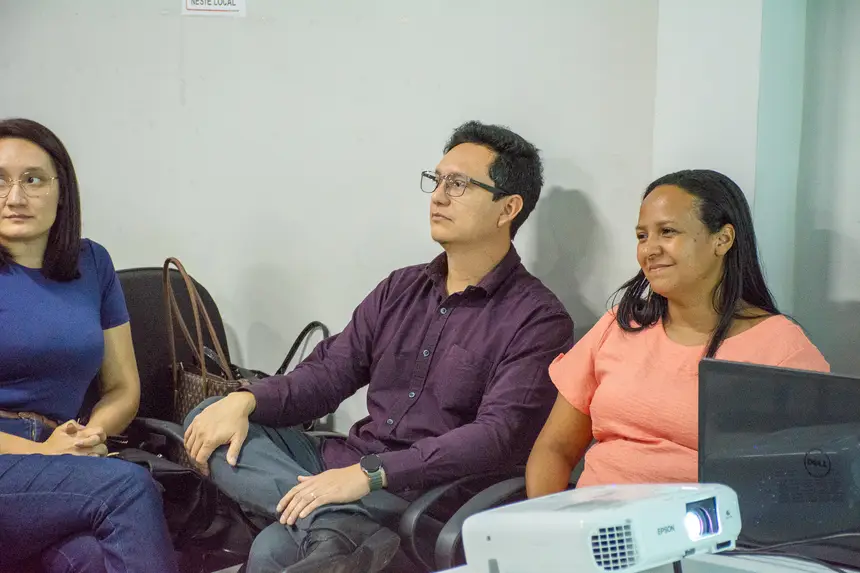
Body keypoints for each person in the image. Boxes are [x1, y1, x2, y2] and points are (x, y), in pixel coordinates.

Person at [184, 121, 574, 573]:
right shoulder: (400, 289)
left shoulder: (537, 319)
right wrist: (246, 400)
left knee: (276, 547)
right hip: (346, 469)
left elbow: (495, 437)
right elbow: (328, 374)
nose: (438, 196)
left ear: (508, 208)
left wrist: (372, 474)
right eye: (437, 180)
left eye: (459, 184)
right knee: (211, 416)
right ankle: (333, 522)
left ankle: (330, 525)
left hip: (424, 494)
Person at [525, 169, 830, 498]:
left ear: (723, 239)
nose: (649, 249)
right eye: (642, 236)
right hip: (591, 524)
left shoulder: (782, 349)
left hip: (702, 528)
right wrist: (544, 520)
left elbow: (807, 486)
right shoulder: (618, 325)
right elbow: (554, 448)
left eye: (667, 232)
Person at [0, 118, 179, 573]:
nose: (15, 197)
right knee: (128, 487)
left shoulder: (92, 262)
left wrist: (89, 436)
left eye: (33, 180)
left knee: (92, 559)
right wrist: (44, 453)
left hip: (62, 457)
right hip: (16, 459)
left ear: (62, 190)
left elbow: (122, 387)